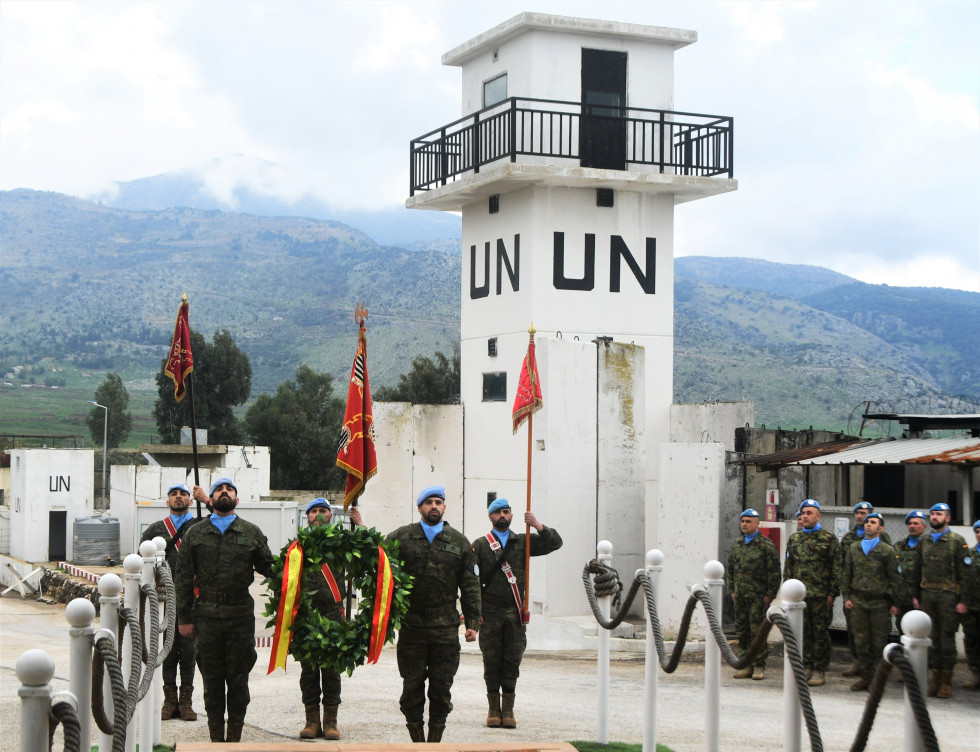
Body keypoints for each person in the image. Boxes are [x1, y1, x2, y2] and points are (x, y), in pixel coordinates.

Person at [176, 477, 274, 743]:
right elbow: (183, 578)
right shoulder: (195, 533)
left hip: (239, 616)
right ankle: (216, 738)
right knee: (212, 677)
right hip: (206, 615)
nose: (224, 492)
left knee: (239, 678)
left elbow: (271, 567)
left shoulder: (251, 532)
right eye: (219, 489)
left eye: (229, 489)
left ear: (236, 500)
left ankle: (235, 738)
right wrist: (183, 618)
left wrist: (302, 560)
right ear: (211, 498)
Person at [386, 486, 481, 743]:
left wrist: (472, 622)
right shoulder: (402, 537)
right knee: (412, 686)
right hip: (412, 626)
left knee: (441, 687)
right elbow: (379, 564)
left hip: (445, 628)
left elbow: (470, 585)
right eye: (428, 503)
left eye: (438, 502)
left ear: (445, 507)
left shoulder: (459, 542)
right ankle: (417, 741)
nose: (434, 506)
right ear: (420, 508)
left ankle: (435, 741)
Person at [471, 498, 563, 728]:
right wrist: (475, 611)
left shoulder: (523, 541)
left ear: (511, 515)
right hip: (490, 614)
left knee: (512, 661)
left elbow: (555, 543)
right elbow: (472, 580)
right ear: (490, 517)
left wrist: (538, 525)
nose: (502, 515)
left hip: (514, 612)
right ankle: (493, 709)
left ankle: (509, 710)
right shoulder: (481, 545)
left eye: (506, 512)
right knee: (491, 661)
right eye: (497, 513)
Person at [294, 498, 362, 741]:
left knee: (332, 671)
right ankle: (311, 721)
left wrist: (360, 526)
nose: (319, 514)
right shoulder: (297, 546)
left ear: (331, 516)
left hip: (333, 615)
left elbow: (366, 556)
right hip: (307, 616)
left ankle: (330, 721)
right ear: (308, 517)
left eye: (324, 510)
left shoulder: (341, 544)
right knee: (308, 671)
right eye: (314, 511)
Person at [140, 483, 202, 721]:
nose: (179, 497)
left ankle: (186, 702)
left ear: (190, 499)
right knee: (165, 650)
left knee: (188, 652)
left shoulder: (199, 526)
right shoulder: (155, 529)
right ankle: (170, 701)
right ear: (167, 501)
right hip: (164, 599)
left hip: (191, 599)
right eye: (174, 494)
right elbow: (141, 558)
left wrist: (204, 498)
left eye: (184, 494)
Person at [913, 502, 969, 699]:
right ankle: (935, 679)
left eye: (939, 514)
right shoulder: (925, 540)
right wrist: (916, 595)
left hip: (948, 597)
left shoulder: (957, 541)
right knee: (932, 639)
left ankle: (946, 682)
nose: (935, 517)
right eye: (933, 514)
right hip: (928, 595)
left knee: (946, 640)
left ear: (948, 518)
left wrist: (963, 601)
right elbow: (917, 569)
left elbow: (965, 575)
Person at [783, 499, 840, 687]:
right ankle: (805, 666)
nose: (805, 516)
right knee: (803, 632)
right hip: (799, 597)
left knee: (820, 632)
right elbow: (789, 566)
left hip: (820, 595)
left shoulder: (828, 538)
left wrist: (833, 592)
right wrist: (786, 589)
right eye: (803, 513)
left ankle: (819, 668)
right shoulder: (795, 538)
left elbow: (836, 568)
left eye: (809, 513)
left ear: (818, 516)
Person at [840, 513, 900, 691]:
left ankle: (877, 679)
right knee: (861, 641)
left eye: (873, 523)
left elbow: (895, 579)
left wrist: (895, 603)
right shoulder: (854, 548)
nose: (868, 525)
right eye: (867, 522)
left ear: (880, 529)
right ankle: (865, 677)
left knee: (879, 643)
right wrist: (847, 597)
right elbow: (846, 574)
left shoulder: (887, 551)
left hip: (879, 604)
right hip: (858, 602)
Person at [725, 508, 780, 681]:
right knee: (742, 631)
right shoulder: (737, 544)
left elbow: (774, 573)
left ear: (757, 524)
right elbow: (731, 570)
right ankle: (745, 663)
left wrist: (769, 595)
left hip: (758, 598)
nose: (745, 524)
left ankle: (758, 665)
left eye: (749, 521)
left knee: (758, 632)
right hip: (740, 597)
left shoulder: (766, 545)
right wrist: (732, 590)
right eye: (743, 521)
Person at [893, 510, 925, 635]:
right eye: (910, 523)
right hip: (903, 598)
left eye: (916, 523)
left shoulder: (929, 545)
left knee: (922, 632)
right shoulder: (898, 546)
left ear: (924, 526)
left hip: (922, 599)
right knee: (903, 632)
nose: (912, 526)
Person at [961, 520, 980, 689]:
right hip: (971, 605)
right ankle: (976, 674)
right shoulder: (969, 555)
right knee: (972, 640)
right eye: (978, 531)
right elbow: (962, 579)